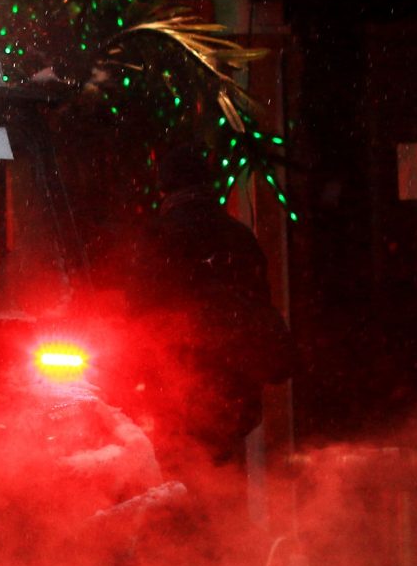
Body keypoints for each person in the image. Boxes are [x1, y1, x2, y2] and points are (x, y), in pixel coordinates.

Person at [106, 148, 294, 467]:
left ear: (165, 187)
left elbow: (140, 315)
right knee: (224, 485)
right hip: (234, 394)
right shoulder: (239, 236)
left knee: (181, 483)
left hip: (177, 390)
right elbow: (259, 303)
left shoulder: (158, 237)